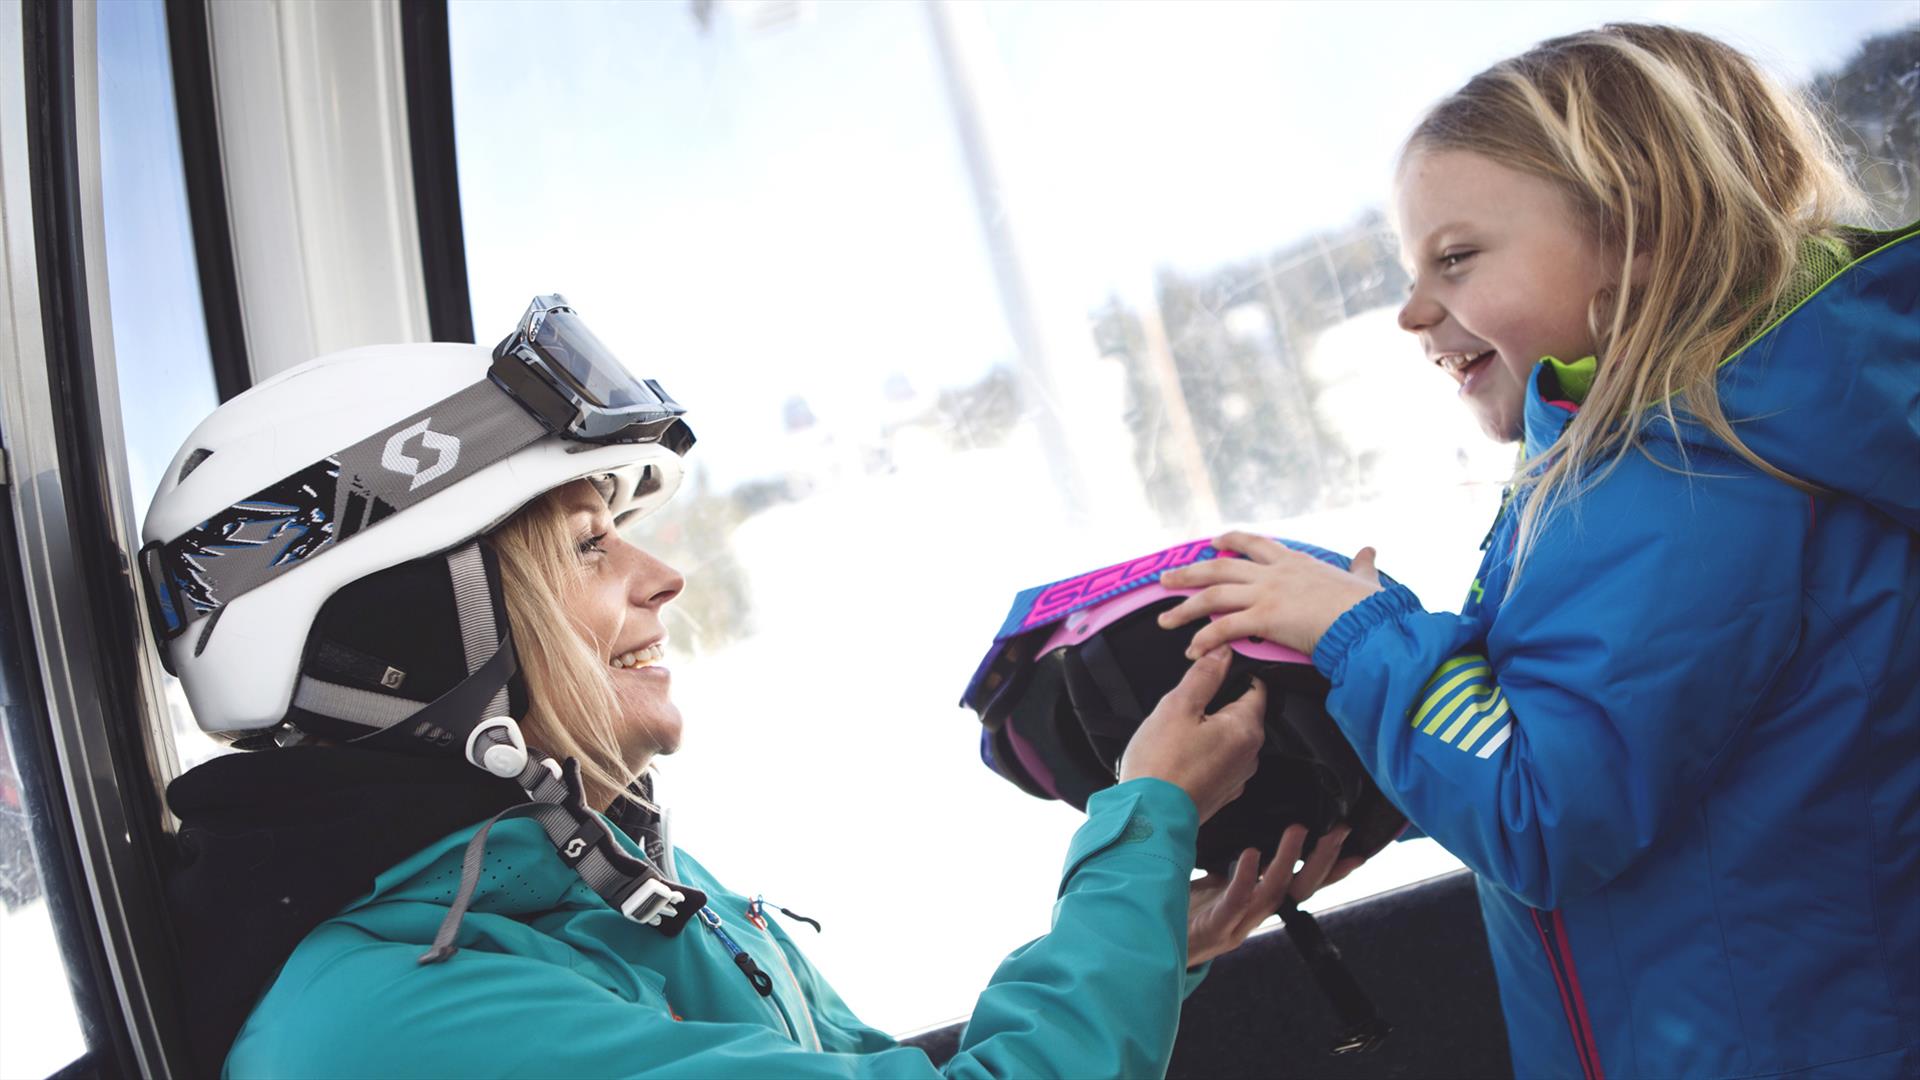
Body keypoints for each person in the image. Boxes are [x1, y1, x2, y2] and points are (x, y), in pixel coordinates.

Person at [149, 296, 1343, 1078]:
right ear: (402, 630)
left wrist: (1143, 938)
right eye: (583, 547)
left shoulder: (564, 880)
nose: (662, 576)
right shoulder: (395, 1025)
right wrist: (1140, 832)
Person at [1156, 23, 1920, 1080]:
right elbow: (1624, 750)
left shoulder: (1694, 487)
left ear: (1639, 231)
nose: (1416, 312)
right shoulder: (1647, 459)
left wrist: (1358, 637)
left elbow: (1547, 816)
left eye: (1457, 258)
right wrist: (1377, 781)